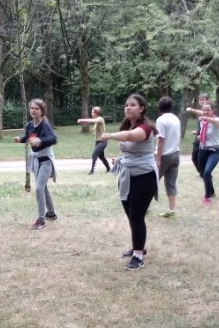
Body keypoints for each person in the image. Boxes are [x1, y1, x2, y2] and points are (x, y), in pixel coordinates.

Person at [102, 94, 158, 269]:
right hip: (127, 174)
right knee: (130, 214)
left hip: (145, 175)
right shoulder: (128, 124)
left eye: (132, 105)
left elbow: (129, 136)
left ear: (141, 108)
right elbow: (131, 148)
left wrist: (110, 135)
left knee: (136, 215)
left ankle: (138, 257)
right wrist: (121, 159)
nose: (128, 107)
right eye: (126, 105)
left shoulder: (145, 128)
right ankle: (137, 247)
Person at [13, 99, 58, 230]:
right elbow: (28, 137)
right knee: (43, 188)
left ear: (42, 111)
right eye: (32, 108)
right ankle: (51, 213)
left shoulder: (45, 125)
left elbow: (53, 138)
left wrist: (40, 140)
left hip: (46, 161)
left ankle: (41, 220)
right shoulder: (30, 125)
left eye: (36, 108)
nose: (33, 110)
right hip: (36, 160)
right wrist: (20, 139)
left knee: (38, 188)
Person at [185, 102, 219, 207]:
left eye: (208, 110)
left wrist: (205, 117)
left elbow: (215, 121)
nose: (205, 112)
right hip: (202, 151)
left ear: (213, 111)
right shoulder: (202, 121)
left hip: (214, 151)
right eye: (204, 110)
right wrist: (200, 135)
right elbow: (203, 130)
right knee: (203, 173)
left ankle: (207, 197)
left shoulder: (217, 120)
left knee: (207, 172)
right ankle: (211, 191)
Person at [154, 96, 181, 217]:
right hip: (175, 154)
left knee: (151, 180)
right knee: (171, 183)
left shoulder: (161, 120)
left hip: (164, 155)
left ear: (159, 107)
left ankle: (143, 207)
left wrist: (158, 158)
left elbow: (161, 140)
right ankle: (171, 210)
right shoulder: (176, 118)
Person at [76, 106, 110, 174]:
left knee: (94, 154)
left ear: (97, 113)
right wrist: (95, 133)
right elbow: (98, 129)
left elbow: (93, 121)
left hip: (103, 141)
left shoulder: (100, 119)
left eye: (92, 112)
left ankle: (92, 171)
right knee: (101, 156)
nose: (91, 113)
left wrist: (82, 120)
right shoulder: (96, 121)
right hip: (97, 141)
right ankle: (109, 169)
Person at [190, 93, 210, 176]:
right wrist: (197, 132)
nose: (201, 101)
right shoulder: (200, 111)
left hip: (206, 138)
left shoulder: (209, 110)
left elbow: (203, 114)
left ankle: (205, 173)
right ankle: (202, 172)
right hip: (198, 138)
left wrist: (191, 110)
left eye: (203, 100)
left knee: (202, 157)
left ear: (207, 100)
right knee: (194, 157)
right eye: (200, 100)